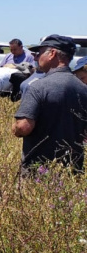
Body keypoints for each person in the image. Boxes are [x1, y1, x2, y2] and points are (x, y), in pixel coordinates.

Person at [13, 35, 87, 173]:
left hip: (39, 170)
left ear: (52, 53)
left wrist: (15, 127)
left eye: (40, 53)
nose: (36, 57)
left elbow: (23, 128)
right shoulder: (83, 89)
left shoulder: (38, 87)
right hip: (73, 170)